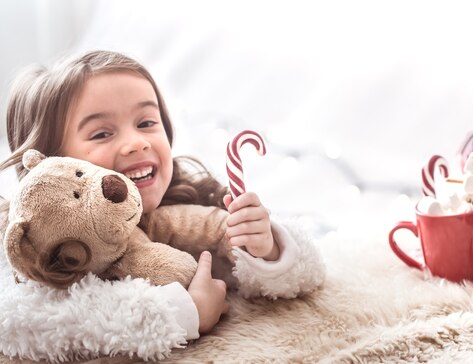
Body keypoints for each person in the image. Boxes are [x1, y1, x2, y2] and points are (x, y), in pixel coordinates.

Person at [0, 50, 325, 361]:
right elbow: (37, 322)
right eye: (101, 133)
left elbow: (304, 272)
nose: (138, 142)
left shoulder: (187, 205)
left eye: (146, 123)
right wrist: (188, 311)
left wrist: (267, 249)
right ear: (48, 166)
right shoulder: (30, 249)